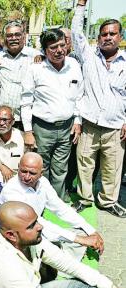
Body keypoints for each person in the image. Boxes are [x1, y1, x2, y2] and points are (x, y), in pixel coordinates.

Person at [0, 201, 126, 288]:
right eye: (32, 226)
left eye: (37, 221)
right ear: (11, 235)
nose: (40, 227)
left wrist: (111, 287)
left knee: (90, 287)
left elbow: (68, 264)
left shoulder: (31, 240)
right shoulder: (5, 265)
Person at [71, 0, 126, 217]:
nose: (108, 37)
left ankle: (108, 201)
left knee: (112, 168)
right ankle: (84, 199)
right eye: (104, 34)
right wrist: (81, 6)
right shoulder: (88, 56)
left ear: (120, 37)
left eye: (113, 33)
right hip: (90, 125)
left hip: (115, 127)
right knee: (85, 164)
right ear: (98, 37)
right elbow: (76, 32)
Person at [0, 152, 105, 261]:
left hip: (36, 228)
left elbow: (60, 208)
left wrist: (91, 230)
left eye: (32, 173)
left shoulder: (43, 182)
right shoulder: (11, 191)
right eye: (23, 171)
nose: (26, 177)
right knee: (76, 239)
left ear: (41, 173)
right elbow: (38, 223)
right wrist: (79, 240)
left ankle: (59, 256)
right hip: (21, 237)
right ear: (18, 167)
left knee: (82, 231)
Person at [20, 29, 83, 201]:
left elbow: (79, 96)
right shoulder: (35, 69)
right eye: (53, 47)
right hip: (42, 128)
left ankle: (58, 200)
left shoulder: (74, 66)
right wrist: (28, 132)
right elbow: (25, 102)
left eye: (62, 45)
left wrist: (77, 120)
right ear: (45, 50)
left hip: (66, 127)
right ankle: (40, 200)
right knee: (42, 166)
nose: (59, 50)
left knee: (61, 167)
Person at [0, 21, 41, 126]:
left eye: (17, 35)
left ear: (23, 37)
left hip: (28, 119)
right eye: (9, 35)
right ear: (5, 38)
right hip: (4, 119)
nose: (13, 38)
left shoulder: (35, 56)